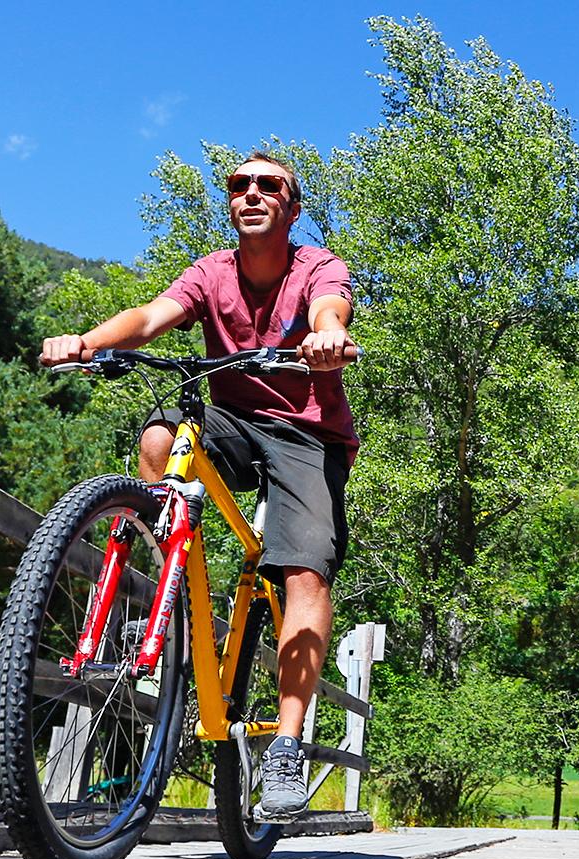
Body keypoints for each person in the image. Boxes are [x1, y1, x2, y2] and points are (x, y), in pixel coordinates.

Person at [40, 151, 357, 821]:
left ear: (291, 208)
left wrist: (328, 339)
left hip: (307, 435)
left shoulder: (316, 266)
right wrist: (86, 342)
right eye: (239, 184)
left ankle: (288, 747)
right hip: (233, 423)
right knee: (159, 435)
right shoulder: (212, 271)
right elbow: (152, 317)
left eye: (269, 186)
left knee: (304, 575)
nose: (251, 192)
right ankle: (175, 585)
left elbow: (330, 309)